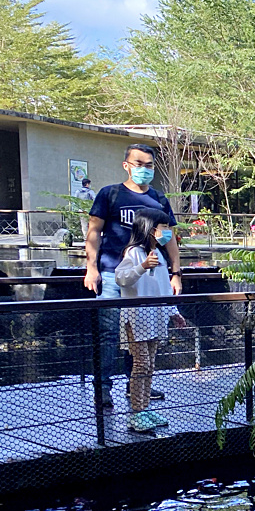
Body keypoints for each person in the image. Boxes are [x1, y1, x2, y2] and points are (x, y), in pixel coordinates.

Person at [85, 145, 181, 407]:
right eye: (139, 163)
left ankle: (135, 386)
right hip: (112, 272)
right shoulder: (110, 194)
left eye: (149, 165)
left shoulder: (158, 199)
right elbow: (94, 232)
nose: (144, 169)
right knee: (108, 333)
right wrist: (91, 267)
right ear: (126, 165)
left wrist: (175, 272)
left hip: (146, 281)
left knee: (142, 335)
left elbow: (170, 237)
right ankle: (103, 388)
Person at [115, 208, 185, 432]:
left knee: (150, 365)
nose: (167, 232)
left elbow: (163, 287)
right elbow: (121, 278)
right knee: (141, 364)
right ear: (149, 229)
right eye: (163, 227)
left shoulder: (161, 256)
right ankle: (136, 412)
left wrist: (173, 311)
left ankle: (145, 408)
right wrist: (142, 267)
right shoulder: (134, 252)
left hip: (155, 317)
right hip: (136, 319)